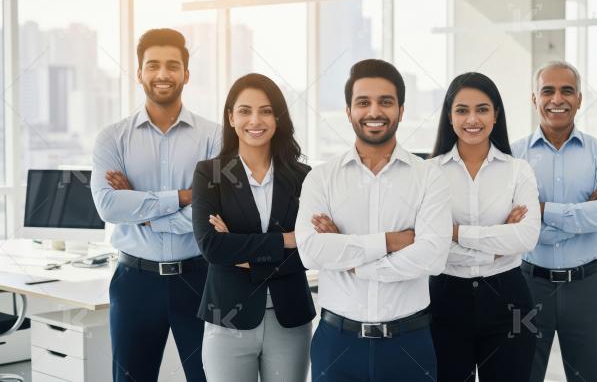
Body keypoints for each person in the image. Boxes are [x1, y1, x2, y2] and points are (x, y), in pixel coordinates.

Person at [295, 59, 452, 382]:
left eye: (386, 102)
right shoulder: (321, 179)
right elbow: (311, 252)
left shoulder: (429, 177)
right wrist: (390, 242)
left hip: (409, 344)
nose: (374, 112)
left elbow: (433, 256)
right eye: (363, 102)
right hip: (337, 344)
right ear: (348, 111)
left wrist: (352, 261)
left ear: (401, 110)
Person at [91, 28, 220, 382]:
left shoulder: (215, 136)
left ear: (186, 74)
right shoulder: (112, 138)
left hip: (199, 278)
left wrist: (142, 211)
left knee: (208, 377)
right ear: (139, 73)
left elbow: (211, 213)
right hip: (135, 281)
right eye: (153, 65)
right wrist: (181, 197)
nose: (162, 74)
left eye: (172, 65)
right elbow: (108, 206)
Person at [192, 73, 315, 381]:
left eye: (265, 110)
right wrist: (287, 239)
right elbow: (212, 247)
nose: (255, 120)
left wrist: (241, 251)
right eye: (245, 111)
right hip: (227, 320)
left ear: (277, 117)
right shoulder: (210, 174)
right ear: (231, 117)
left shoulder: (304, 177)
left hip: (290, 319)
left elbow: (311, 252)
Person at [511, 60, 597, 382]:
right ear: (534, 99)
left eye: (567, 91)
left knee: (591, 377)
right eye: (548, 91)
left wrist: (541, 209)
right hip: (528, 285)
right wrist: (583, 212)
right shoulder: (513, 156)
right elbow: (512, 226)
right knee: (521, 375)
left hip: (587, 287)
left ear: (579, 98)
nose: (557, 99)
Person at [429, 72, 541, 382]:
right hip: (445, 300)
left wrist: (455, 233)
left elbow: (526, 236)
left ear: (495, 115)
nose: (472, 119)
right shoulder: (429, 173)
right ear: (450, 117)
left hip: (509, 301)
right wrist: (496, 245)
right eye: (462, 110)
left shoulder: (518, 170)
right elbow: (427, 243)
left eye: (482, 109)